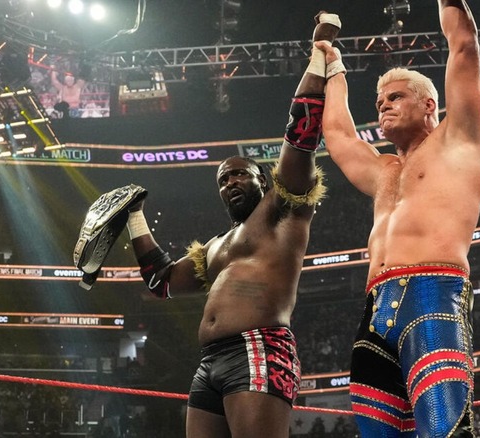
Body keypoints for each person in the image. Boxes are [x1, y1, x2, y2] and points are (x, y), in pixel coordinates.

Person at [126, 12, 340, 438]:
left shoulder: (283, 209)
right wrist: (133, 216)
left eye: (240, 173)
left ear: (263, 179)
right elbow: (161, 283)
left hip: (259, 347)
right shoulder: (215, 247)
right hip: (210, 361)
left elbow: (301, 134)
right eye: (223, 179)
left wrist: (318, 54)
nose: (230, 182)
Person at [316, 1, 480, 437]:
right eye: (379, 102)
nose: (384, 107)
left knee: (445, 431)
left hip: (433, 294)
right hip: (374, 312)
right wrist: (333, 68)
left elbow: (464, 46)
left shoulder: (458, 140)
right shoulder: (383, 171)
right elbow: (337, 135)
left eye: (395, 97)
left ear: (429, 103)